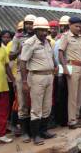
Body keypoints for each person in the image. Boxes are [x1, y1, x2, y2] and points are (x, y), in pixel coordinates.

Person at [19, 17, 55, 145]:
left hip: (49, 76)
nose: (44, 33)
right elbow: (22, 62)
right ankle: (36, 136)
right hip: (36, 77)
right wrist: (24, 82)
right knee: (36, 107)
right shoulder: (30, 43)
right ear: (35, 30)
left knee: (47, 105)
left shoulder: (47, 42)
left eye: (46, 30)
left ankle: (44, 131)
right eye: (41, 30)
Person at [58, 16, 81, 128]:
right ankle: (71, 120)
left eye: (79, 26)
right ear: (70, 25)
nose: (78, 28)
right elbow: (60, 53)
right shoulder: (65, 36)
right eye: (76, 26)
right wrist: (65, 68)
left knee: (79, 94)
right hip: (71, 66)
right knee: (72, 95)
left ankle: (76, 116)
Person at [10, 14, 36, 140]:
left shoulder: (40, 37)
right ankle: (24, 131)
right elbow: (11, 56)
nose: (29, 26)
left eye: (32, 23)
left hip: (35, 73)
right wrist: (21, 50)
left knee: (35, 103)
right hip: (22, 73)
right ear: (24, 24)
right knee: (23, 103)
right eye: (27, 23)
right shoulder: (18, 37)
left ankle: (34, 131)